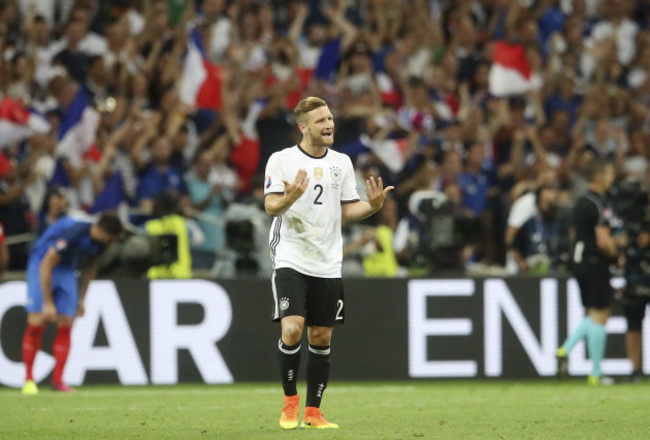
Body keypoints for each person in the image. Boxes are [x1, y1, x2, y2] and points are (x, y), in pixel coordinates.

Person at [264, 97, 393, 430]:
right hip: (291, 255)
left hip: (327, 261)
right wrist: (288, 198)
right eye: (321, 120)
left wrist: (372, 207)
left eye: (330, 118)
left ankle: (313, 412)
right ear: (303, 127)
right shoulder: (282, 160)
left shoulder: (342, 163)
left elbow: (348, 208)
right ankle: (290, 404)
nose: (329, 124)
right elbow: (271, 208)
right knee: (292, 328)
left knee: (321, 336)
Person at [21, 212, 123, 394]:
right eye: (110, 239)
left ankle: (58, 381)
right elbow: (47, 263)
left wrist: (82, 299)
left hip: (67, 267)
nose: (111, 243)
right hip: (43, 262)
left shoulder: (100, 243)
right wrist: (48, 302)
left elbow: (90, 268)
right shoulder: (74, 232)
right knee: (37, 321)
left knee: (67, 321)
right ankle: (29, 380)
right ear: (101, 232)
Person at [556, 159, 621, 386]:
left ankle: (569, 352)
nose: (612, 177)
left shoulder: (582, 202)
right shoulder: (597, 203)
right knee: (600, 315)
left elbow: (578, 234)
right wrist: (617, 252)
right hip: (595, 262)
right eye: (609, 172)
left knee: (594, 315)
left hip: (581, 261)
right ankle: (594, 371)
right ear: (598, 176)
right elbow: (603, 241)